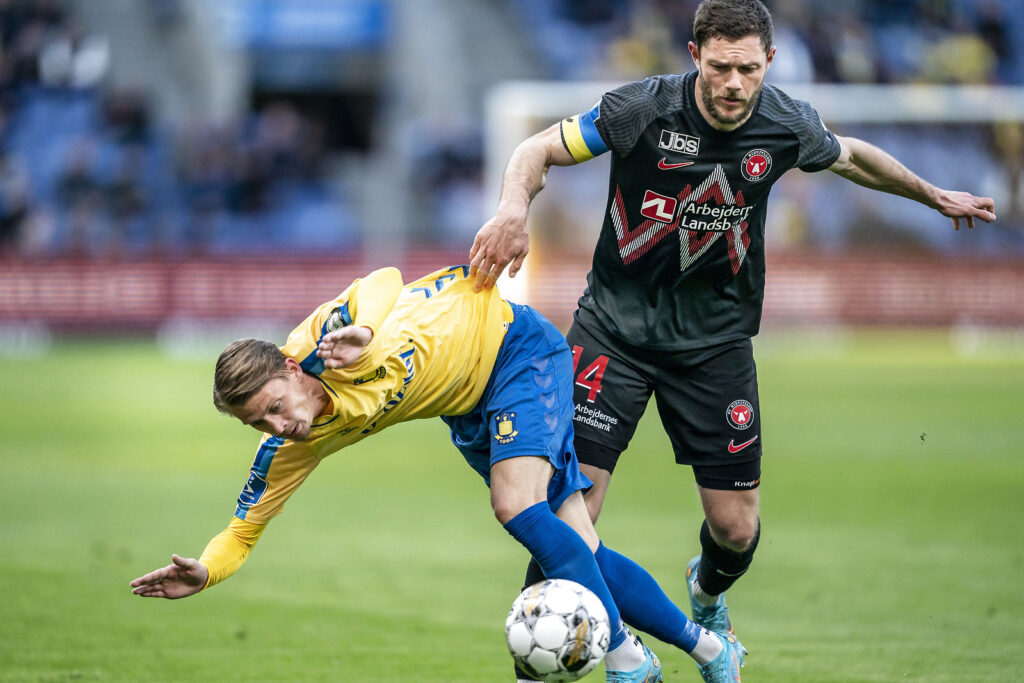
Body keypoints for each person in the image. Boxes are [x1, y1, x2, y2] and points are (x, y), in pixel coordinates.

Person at [468, 1, 997, 680]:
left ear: (768, 64)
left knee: (737, 530)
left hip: (715, 346)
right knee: (569, 510)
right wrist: (514, 207)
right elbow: (536, 148)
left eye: (748, 69)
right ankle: (569, 653)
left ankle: (707, 598)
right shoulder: (641, 110)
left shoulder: (784, 123)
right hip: (613, 335)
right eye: (720, 68)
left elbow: (852, 157)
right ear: (695, 55)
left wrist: (933, 195)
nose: (733, 85)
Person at [129, 264, 748, 683]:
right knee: (575, 540)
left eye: (273, 406)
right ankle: (712, 650)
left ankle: (624, 658)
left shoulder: (326, 340)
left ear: (290, 369)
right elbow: (242, 531)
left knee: (515, 505)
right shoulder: (292, 445)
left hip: (516, 350)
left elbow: (384, 278)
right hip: (469, 408)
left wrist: (365, 331)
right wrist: (208, 570)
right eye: (257, 424)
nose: (276, 426)